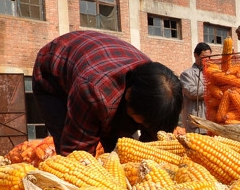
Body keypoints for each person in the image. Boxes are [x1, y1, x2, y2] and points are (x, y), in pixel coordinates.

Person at [31, 30, 183, 155]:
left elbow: (151, 142)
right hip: (53, 72)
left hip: (100, 58)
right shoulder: (93, 92)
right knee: (73, 153)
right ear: (129, 95)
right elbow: (77, 153)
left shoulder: (153, 86)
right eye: (142, 121)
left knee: (117, 148)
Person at [179, 42, 212, 131]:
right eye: (204, 57)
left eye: (209, 57)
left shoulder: (212, 73)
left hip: (211, 122)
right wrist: (212, 88)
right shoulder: (186, 74)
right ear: (196, 55)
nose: (207, 59)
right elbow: (192, 92)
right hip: (196, 124)